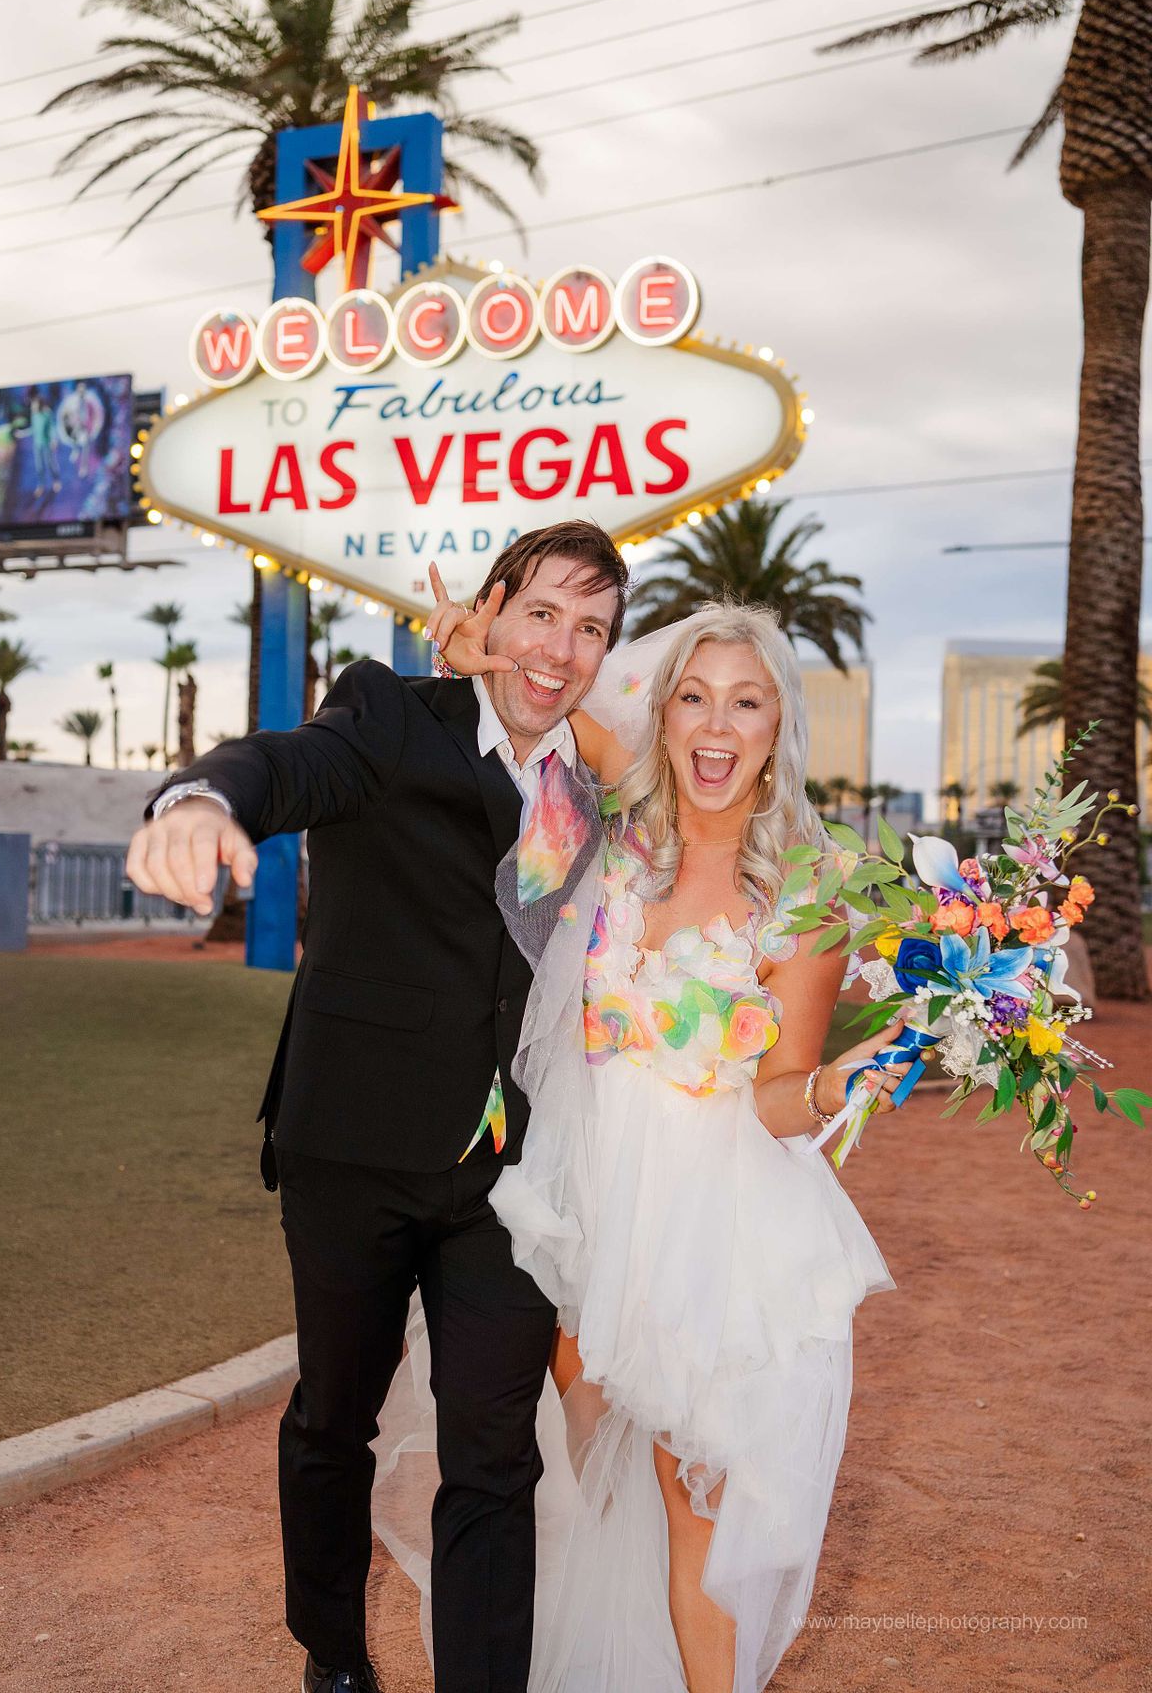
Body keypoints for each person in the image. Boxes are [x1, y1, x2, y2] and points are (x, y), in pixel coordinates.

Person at [124, 520, 630, 1693]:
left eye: (591, 628)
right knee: (332, 1422)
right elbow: (287, 763)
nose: (561, 648)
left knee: (495, 1456)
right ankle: (336, 1658)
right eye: (543, 613)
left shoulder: (591, 785)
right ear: (493, 613)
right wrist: (203, 801)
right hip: (351, 1145)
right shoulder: (394, 716)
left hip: (507, 1172)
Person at [384, 593, 903, 1692]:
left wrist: (834, 1087)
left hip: (701, 1222)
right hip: (579, 1196)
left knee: (690, 1496)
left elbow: (775, 1099)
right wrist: (478, 650)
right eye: (696, 700)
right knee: (554, 1468)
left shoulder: (807, 895)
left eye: (747, 705)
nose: (717, 728)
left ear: (778, 727)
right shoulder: (624, 813)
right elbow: (543, 697)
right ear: (665, 715)